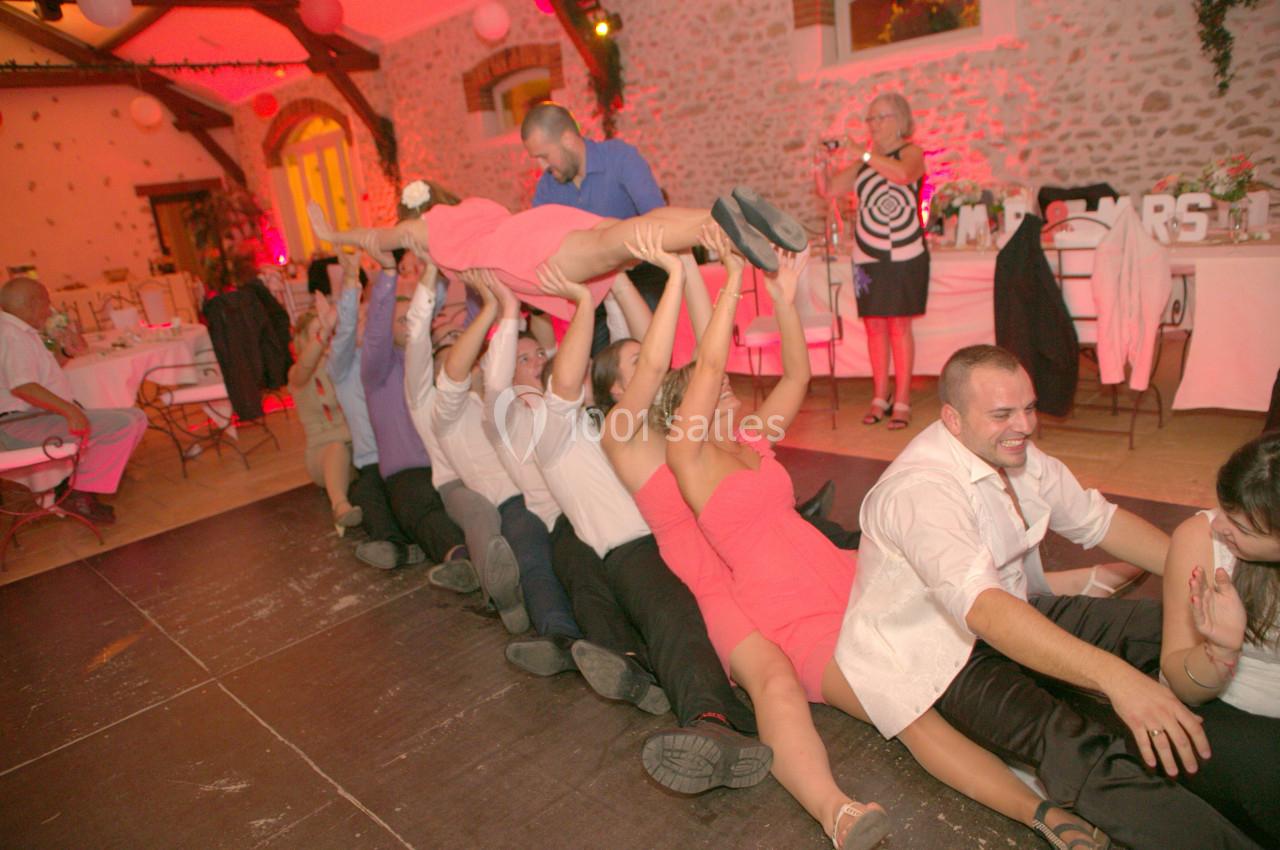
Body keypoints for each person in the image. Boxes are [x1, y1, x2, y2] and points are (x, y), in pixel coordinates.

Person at [657, 245, 1116, 849]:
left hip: (846, 573)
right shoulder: (687, 459)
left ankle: (1078, 669)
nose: (726, 394)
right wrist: (732, 282)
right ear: (682, 412)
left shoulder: (750, 439)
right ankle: (1041, 813)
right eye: (708, 392)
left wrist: (787, 301)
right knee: (910, 713)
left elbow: (795, 375)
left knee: (964, 643)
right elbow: (711, 366)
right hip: (792, 614)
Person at [835, 343, 1261, 850]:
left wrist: (1209, 577)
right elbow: (986, 611)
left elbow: (1100, 522)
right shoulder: (921, 490)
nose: (1026, 425)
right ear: (952, 418)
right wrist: (1117, 679)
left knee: (1159, 622)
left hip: (1019, 610)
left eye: (1029, 407)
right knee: (1073, 745)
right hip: (943, 658)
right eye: (1002, 413)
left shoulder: (1015, 453)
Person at [486, 265, 773, 797]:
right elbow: (581, 376)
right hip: (633, 549)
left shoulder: (632, 420)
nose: (548, 365)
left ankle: (652, 676)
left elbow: (651, 354)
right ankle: (711, 724)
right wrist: (580, 301)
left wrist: (621, 280)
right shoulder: (552, 434)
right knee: (675, 618)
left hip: (685, 533)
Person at [305, 180, 807, 322]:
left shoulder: (426, 228)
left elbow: (375, 238)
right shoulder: (476, 201)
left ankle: (718, 228)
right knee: (627, 228)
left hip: (522, 257)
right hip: (536, 223)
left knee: (625, 242)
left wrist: (334, 236)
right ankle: (720, 217)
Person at [1160, 432, 1280, 847]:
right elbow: (1182, 684)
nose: (1217, 524)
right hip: (1228, 710)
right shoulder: (1200, 541)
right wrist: (1221, 650)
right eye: (1224, 507)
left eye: (1241, 526)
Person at [818, 92, 927, 431]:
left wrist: (862, 153)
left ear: (900, 120)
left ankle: (904, 398)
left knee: (900, 325)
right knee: (874, 326)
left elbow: (903, 175)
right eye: (870, 118)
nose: (874, 125)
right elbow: (830, 189)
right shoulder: (864, 161)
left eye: (880, 117)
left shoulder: (911, 153)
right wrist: (819, 163)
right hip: (868, 252)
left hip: (905, 252)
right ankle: (880, 396)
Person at [522, 102, 668, 350]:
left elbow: (658, 219)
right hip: (590, 287)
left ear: (568, 139)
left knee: (652, 350)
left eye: (544, 156)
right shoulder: (547, 187)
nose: (542, 167)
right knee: (598, 365)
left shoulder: (620, 157)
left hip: (641, 272)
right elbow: (538, 244)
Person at [0, 277, 147, 525]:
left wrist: (66, 352)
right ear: (33, 303)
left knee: (135, 418)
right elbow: (23, 386)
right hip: (20, 423)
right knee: (123, 425)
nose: (49, 311)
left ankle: (77, 490)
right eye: (47, 303)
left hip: (33, 416)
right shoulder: (11, 335)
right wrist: (69, 410)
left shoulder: (18, 332)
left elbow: (40, 376)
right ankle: (76, 494)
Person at [324, 253, 426, 570]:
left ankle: (411, 544)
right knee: (368, 492)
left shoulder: (395, 358)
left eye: (371, 321)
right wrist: (351, 283)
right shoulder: (342, 367)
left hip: (406, 456)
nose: (367, 327)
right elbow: (344, 334)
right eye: (361, 321)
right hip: (372, 460)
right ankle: (392, 546)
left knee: (409, 497)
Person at [287, 300, 361, 530]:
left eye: (329, 331)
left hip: (357, 447)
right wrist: (324, 333)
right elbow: (305, 367)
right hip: (324, 452)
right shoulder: (298, 375)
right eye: (317, 334)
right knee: (337, 449)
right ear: (303, 340)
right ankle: (340, 506)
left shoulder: (343, 364)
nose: (326, 338)